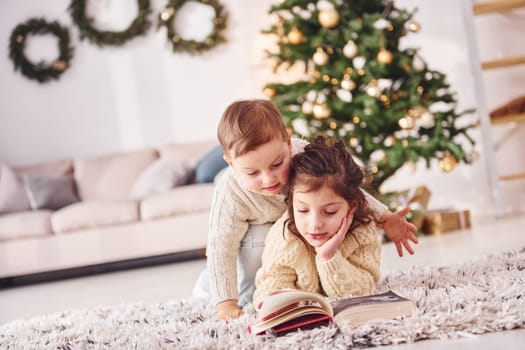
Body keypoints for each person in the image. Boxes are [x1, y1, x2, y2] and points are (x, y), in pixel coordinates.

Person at [194, 99, 417, 320]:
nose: (268, 178)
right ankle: (219, 289)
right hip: (255, 236)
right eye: (252, 173)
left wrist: (385, 217)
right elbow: (221, 248)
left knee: (302, 234)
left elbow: (341, 188)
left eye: (276, 164)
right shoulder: (230, 193)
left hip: (293, 224)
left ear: (288, 143)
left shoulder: (300, 155)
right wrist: (226, 304)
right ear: (231, 164)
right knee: (258, 243)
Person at [253, 136, 381, 307]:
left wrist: (328, 257)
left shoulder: (362, 233)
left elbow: (361, 292)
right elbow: (269, 286)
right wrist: (278, 298)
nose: (315, 224)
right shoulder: (284, 237)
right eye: (303, 210)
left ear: (351, 207)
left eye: (329, 212)